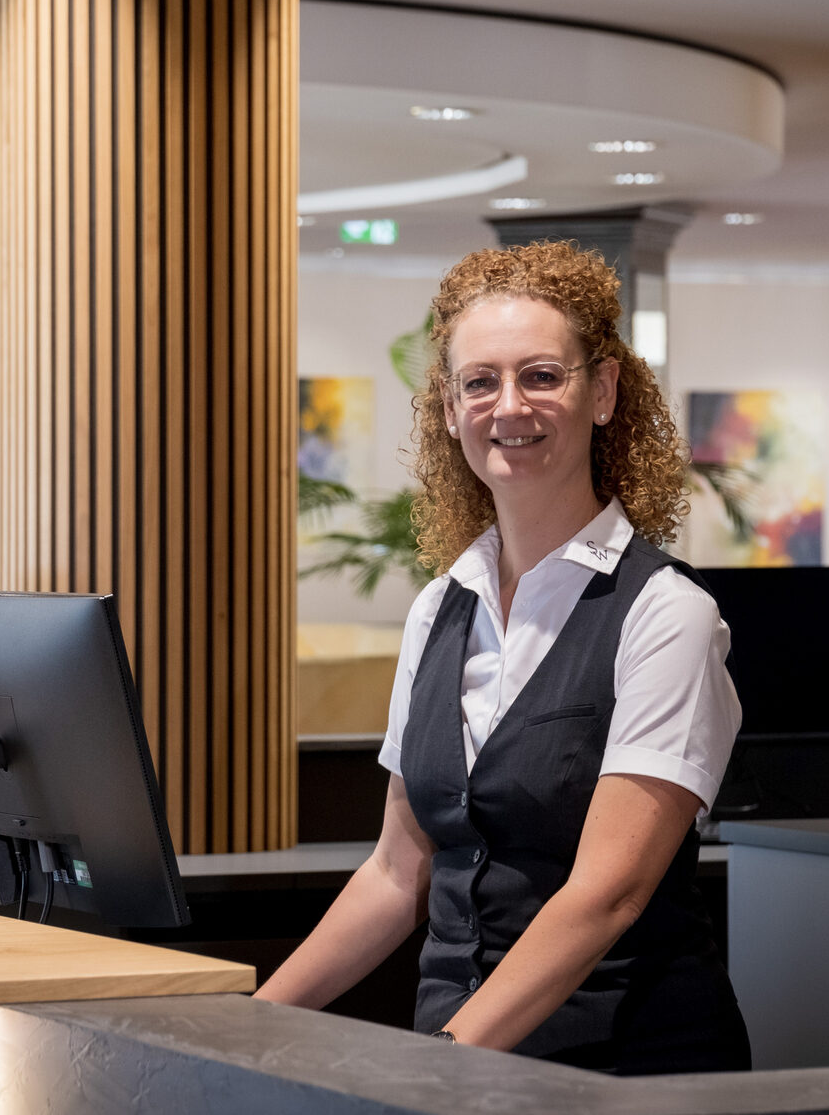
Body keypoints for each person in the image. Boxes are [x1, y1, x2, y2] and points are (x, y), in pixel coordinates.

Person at [256, 241, 750, 1074]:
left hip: (623, 1067)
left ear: (603, 391)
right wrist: (250, 1021)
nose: (509, 405)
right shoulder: (439, 608)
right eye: (480, 381)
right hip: (461, 1060)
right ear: (450, 409)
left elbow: (606, 895)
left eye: (542, 375)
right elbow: (396, 872)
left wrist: (445, 1062)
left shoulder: (667, 613)